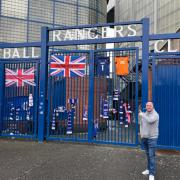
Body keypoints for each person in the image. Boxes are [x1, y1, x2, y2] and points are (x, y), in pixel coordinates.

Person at [139, 101, 159, 180]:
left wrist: (142, 115)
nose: (148, 107)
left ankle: (152, 173)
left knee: (151, 156)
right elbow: (141, 123)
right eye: (147, 105)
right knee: (148, 155)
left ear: (153, 106)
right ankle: (148, 169)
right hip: (145, 138)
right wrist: (142, 134)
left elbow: (150, 120)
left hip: (152, 138)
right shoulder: (145, 114)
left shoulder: (155, 114)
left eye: (150, 105)